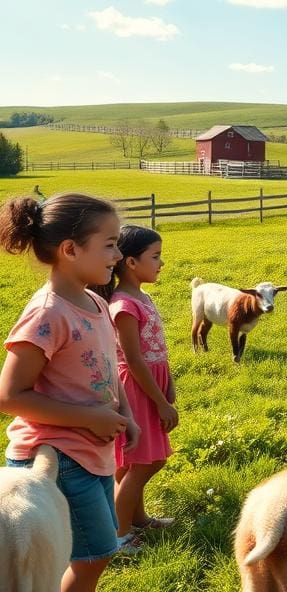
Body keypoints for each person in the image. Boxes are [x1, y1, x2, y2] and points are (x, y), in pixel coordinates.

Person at [0, 192, 141, 592]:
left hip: (90, 451)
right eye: (109, 244)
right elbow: (9, 395)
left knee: (95, 551)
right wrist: (92, 418)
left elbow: (109, 368)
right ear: (70, 250)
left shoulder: (95, 301)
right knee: (92, 554)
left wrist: (126, 414)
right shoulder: (47, 314)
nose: (118, 255)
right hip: (54, 457)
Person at [92, 225, 177, 554]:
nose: (161, 263)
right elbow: (133, 359)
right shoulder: (123, 305)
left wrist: (170, 385)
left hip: (151, 384)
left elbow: (157, 351)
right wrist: (161, 402)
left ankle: (137, 518)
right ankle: (118, 534)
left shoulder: (142, 296)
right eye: (155, 256)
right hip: (137, 388)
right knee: (147, 462)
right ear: (130, 262)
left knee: (134, 462)